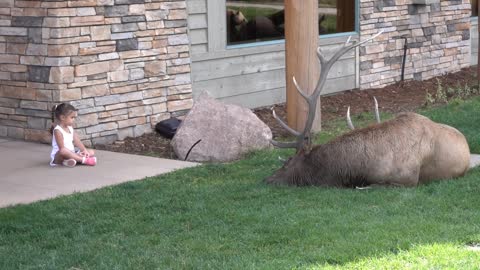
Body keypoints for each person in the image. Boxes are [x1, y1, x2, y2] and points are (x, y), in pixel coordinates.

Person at [50, 103, 97, 167]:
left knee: (91, 152)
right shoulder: (58, 130)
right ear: (62, 117)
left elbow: (77, 140)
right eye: (72, 117)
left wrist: (84, 150)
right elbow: (62, 149)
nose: (73, 120)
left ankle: (69, 161)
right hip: (59, 157)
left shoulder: (70, 128)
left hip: (71, 153)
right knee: (63, 151)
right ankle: (84, 160)